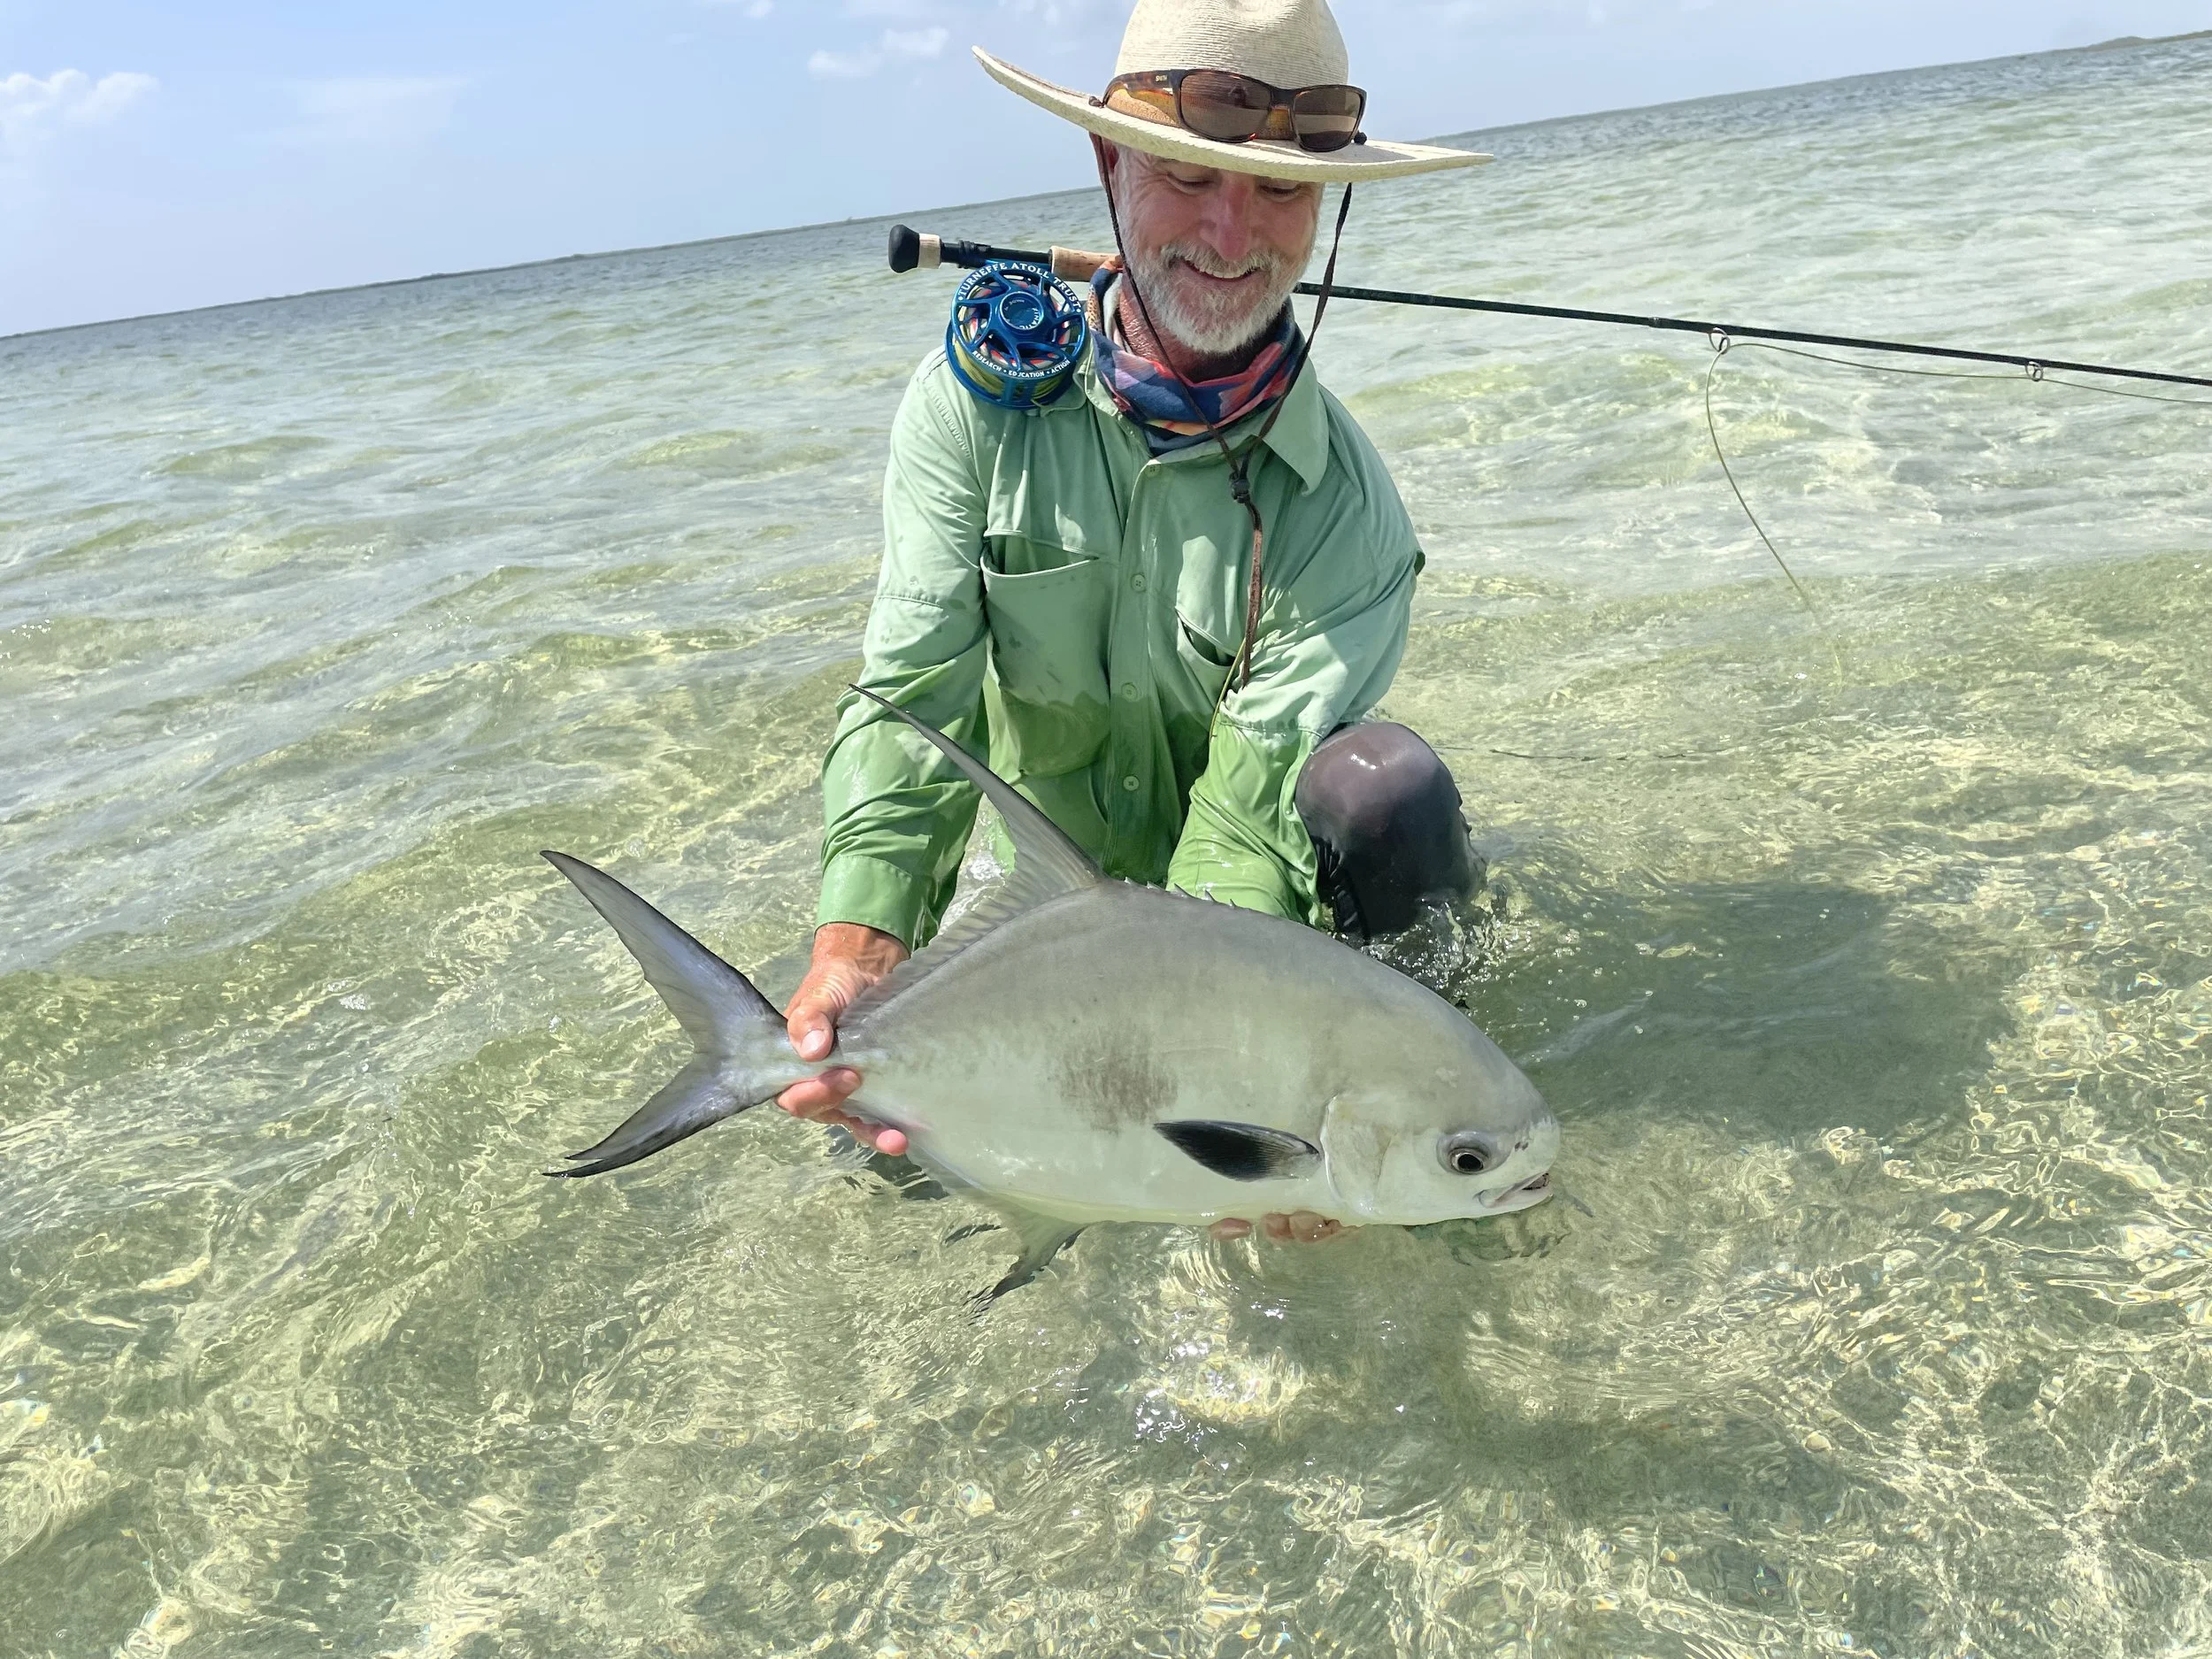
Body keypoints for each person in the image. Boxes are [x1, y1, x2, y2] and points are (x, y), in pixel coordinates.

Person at [780, 0, 1490, 1243]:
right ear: (1110, 163)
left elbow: (1249, 811)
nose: (1231, 234)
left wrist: (1248, 1096)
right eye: (1185, 173)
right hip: (1043, 909)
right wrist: (863, 934)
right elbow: (915, 694)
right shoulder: (968, 415)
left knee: (1388, 787)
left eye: (1277, 193)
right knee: (880, 1156)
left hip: (1255, 936)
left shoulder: (1350, 514)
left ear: (1326, 203)